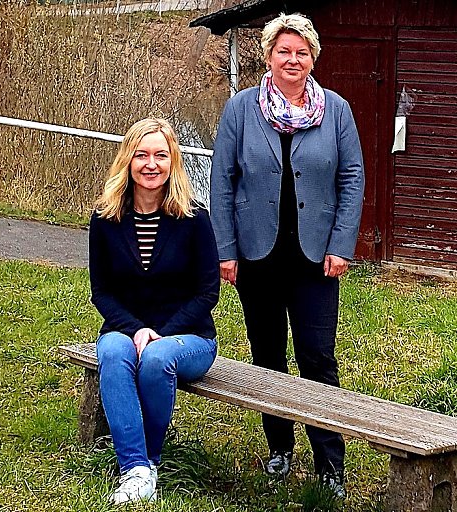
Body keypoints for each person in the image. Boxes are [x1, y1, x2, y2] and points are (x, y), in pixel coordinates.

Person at [210, 13, 364, 499]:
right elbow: (221, 180)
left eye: (301, 52)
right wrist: (226, 249)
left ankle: (329, 464)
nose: (292, 60)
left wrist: (341, 244)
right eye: (283, 51)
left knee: (317, 357)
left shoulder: (336, 110)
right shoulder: (240, 109)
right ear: (268, 55)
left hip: (316, 258)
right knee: (268, 355)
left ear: (312, 58)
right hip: (257, 255)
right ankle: (280, 447)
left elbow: (351, 178)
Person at [89, 118, 220, 505]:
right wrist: (136, 330)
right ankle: (136, 469)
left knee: (157, 358)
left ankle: (150, 458)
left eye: (160, 155)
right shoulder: (105, 219)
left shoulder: (195, 218)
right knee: (112, 351)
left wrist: (160, 331)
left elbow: (207, 291)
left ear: (173, 162)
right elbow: (102, 293)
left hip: (190, 337)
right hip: (124, 329)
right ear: (127, 160)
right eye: (141, 155)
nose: (151, 164)